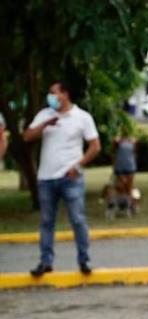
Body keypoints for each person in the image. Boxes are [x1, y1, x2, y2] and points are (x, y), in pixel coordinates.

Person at [23, 81, 100, 276]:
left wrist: (78, 166)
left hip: (70, 177)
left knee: (77, 219)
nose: (50, 96)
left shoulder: (82, 117)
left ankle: (84, 260)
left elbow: (95, 146)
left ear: (65, 94)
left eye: (53, 92)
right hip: (46, 178)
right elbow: (27, 136)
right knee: (46, 221)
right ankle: (45, 261)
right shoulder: (44, 114)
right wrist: (45, 124)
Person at [112, 127, 137, 212]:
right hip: (119, 166)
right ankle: (122, 205)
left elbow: (134, 153)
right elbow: (113, 152)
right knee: (121, 187)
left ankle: (131, 206)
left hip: (130, 166)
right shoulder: (117, 141)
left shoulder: (133, 141)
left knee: (129, 187)